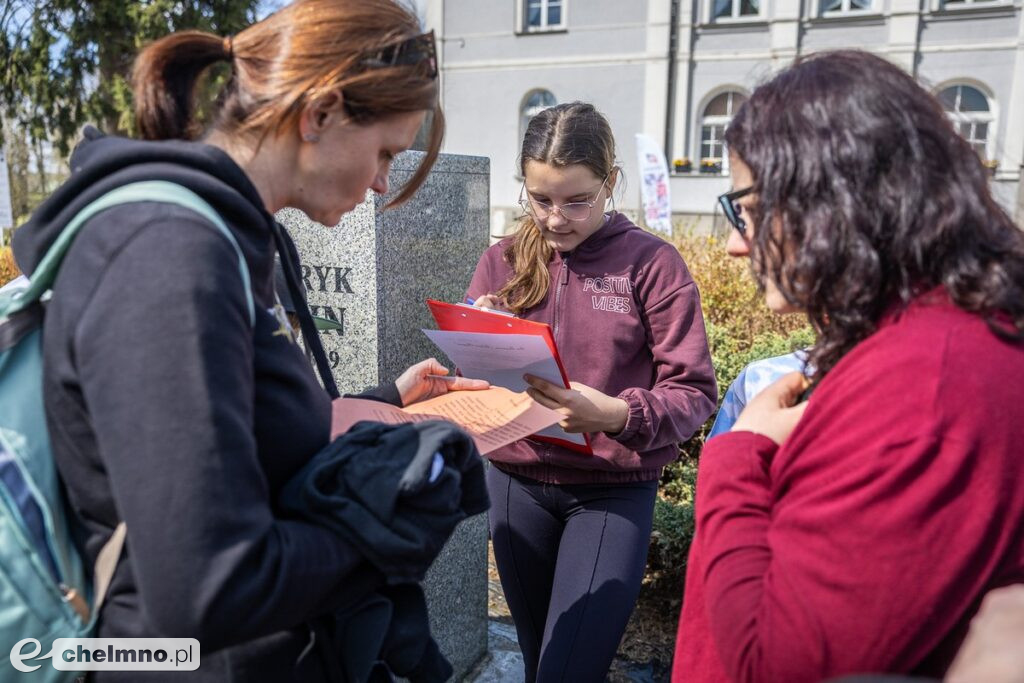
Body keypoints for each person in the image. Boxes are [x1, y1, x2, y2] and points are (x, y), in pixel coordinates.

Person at [11, 1, 487, 680]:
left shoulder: (234, 235)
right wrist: (395, 518)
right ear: (318, 113)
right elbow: (208, 587)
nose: (384, 181)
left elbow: (232, 425)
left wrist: (383, 400)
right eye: (384, 152)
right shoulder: (170, 254)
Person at [672, 50, 1024, 683]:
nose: (734, 242)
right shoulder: (924, 338)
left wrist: (739, 454)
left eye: (746, 209)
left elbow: (775, 664)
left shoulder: (924, 385)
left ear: (831, 199)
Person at [466, 101, 717, 682]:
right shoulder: (500, 260)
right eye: (541, 198)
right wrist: (478, 343)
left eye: (578, 199)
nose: (557, 218)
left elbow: (695, 390)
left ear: (611, 183)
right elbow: (475, 383)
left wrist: (615, 413)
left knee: (569, 671)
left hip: (611, 491)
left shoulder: (654, 264)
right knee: (538, 662)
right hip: (516, 481)